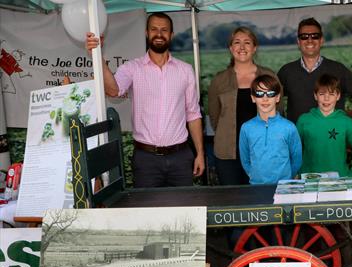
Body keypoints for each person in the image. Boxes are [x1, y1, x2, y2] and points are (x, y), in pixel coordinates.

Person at [85, 12, 204, 187]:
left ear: (171, 35)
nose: (159, 34)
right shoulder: (132, 68)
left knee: (183, 211)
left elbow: (193, 115)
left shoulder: (185, 70)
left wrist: (200, 153)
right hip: (146, 160)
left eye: (164, 30)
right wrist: (97, 54)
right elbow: (113, 91)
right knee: (148, 212)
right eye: (154, 29)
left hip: (181, 158)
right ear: (146, 33)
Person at [208, 27, 278, 185]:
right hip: (228, 154)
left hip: (263, 152)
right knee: (232, 200)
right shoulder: (219, 80)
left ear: (254, 48)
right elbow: (215, 117)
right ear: (231, 48)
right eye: (237, 43)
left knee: (261, 199)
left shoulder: (269, 76)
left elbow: (278, 113)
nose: (242, 47)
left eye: (247, 43)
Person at [277, 18, 352, 128]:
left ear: (321, 40)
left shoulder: (338, 70)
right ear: (298, 42)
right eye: (304, 36)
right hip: (298, 142)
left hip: (332, 140)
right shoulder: (287, 71)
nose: (309, 40)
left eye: (315, 36)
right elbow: (271, 100)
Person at [239, 74, 302, 184]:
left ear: (277, 97)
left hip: (284, 187)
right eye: (259, 94)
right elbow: (245, 159)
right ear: (253, 98)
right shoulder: (246, 128)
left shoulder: (289, 127)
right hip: (256, 187)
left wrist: (287, 178)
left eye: (270, 94)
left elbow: (296, 159)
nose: (265, 98)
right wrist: (253, 175)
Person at [296, 74, 352, 177]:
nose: (326, 99)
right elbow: (295, 150)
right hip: (309, 181)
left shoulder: (346, 122)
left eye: (331, 94)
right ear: (315, 95)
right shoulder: (304, 121)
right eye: (322, 94)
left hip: (339, 181)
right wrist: (299, 172)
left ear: (338, 96)